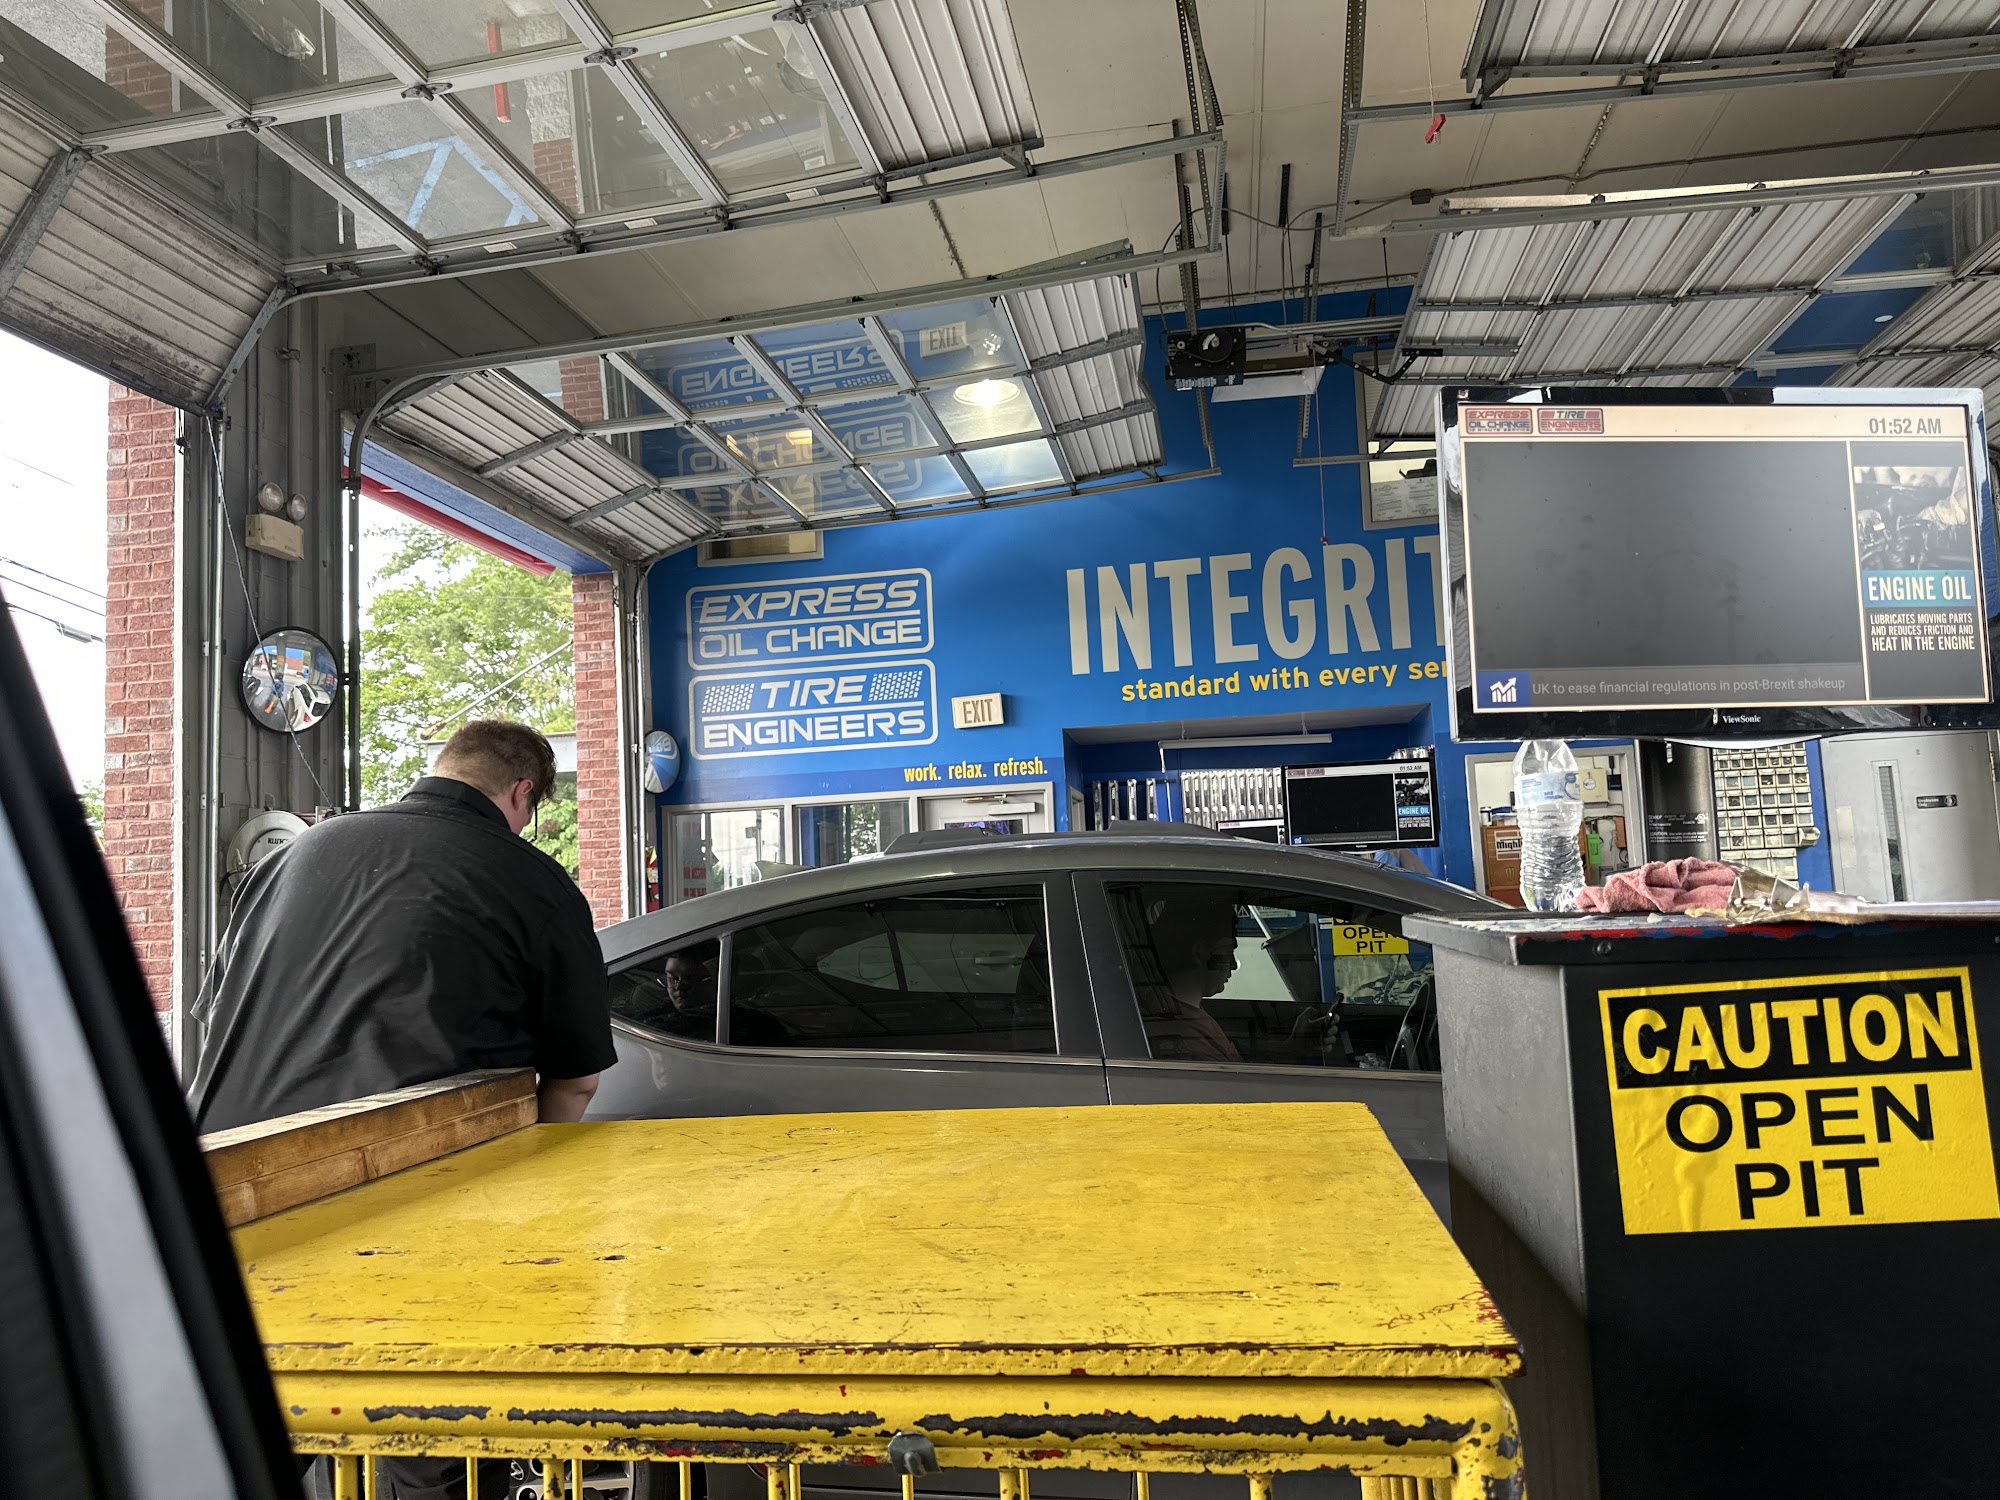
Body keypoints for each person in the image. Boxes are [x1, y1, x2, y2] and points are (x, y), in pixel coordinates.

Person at [189, 717, 616, 1134]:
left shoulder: (285, 860)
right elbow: (576, 1083)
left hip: (216, 1151)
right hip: (390, 1162)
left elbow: (216, 1015)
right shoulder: (533, 881)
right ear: (523, 792)